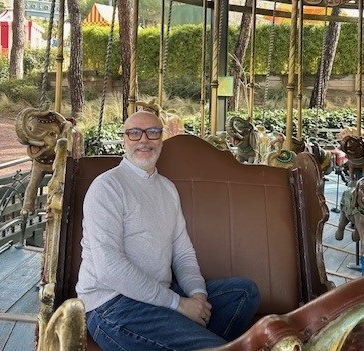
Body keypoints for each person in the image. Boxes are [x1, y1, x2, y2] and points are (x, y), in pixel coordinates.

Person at [76, 110, 260, 351]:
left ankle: (192, 340)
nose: (144, 140)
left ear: (161, 139)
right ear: (124, 139)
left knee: (244, 292)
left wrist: (198, 296)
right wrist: (179, 305)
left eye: (153, 132)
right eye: (135, 133)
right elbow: (110, 268)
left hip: (160, 295)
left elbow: (182, 252)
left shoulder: (167, 189)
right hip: (112, 304)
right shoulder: (107, 187)